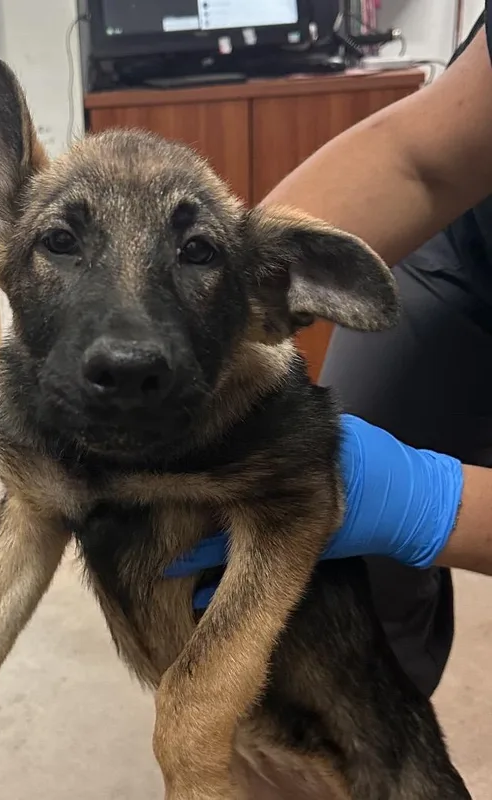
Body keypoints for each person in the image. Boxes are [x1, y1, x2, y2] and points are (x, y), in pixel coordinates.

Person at [170, 7, 492, 699]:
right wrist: (217, 308)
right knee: (334, 583)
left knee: (355, 514)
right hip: (474, 251)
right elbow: (423, 159)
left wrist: (431, 504)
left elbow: (421, 508)